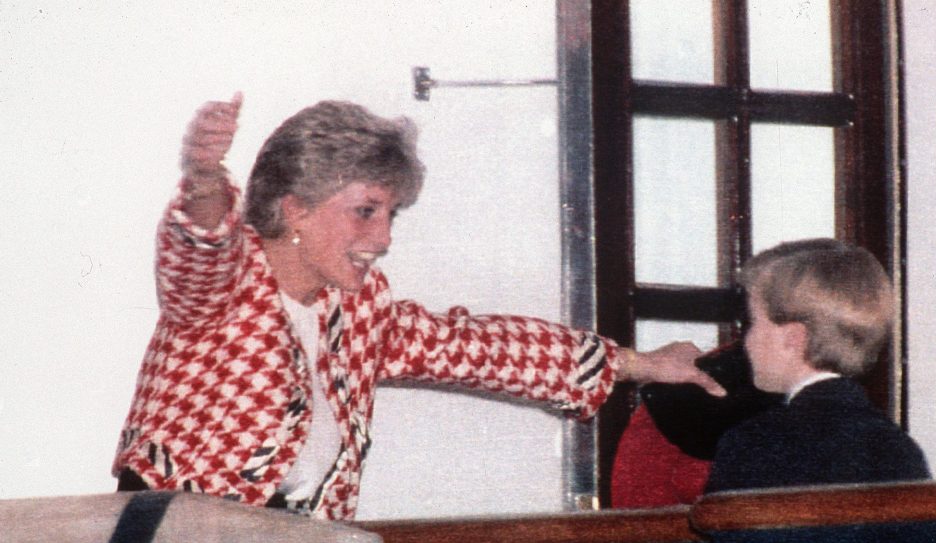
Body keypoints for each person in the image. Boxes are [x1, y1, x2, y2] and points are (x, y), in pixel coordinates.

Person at [112, 93, 723, 520]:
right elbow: (198, 247)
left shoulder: (359, 310)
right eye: (366, 210)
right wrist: (201, 178)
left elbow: (480, 349)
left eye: (390, 215)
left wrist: (642, 364)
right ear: (295, 206)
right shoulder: (224, 286)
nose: (383, 239)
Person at [704, 238, 930, 494]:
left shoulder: (754, 442)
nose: (747, 340)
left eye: (753, 322)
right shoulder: (900, 447)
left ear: (793, 338)